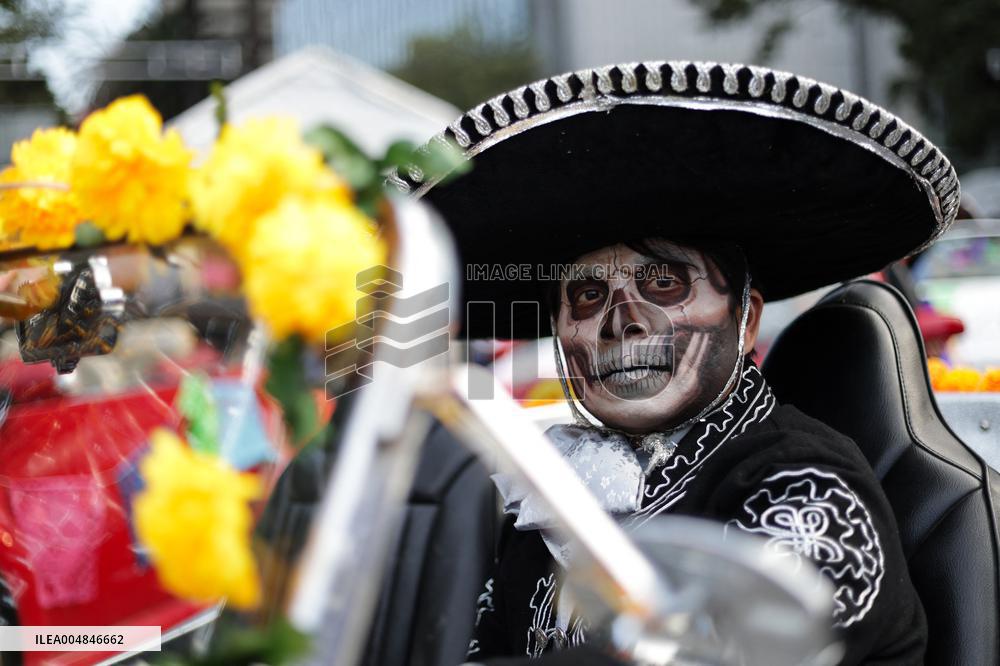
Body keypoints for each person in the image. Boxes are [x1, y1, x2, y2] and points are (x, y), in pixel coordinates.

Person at [394, 60, 960, 665]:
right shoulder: (549, 496)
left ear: (745, 322)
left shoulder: (807, 483)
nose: (622, 320)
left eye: (663, 283)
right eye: (588, 295)